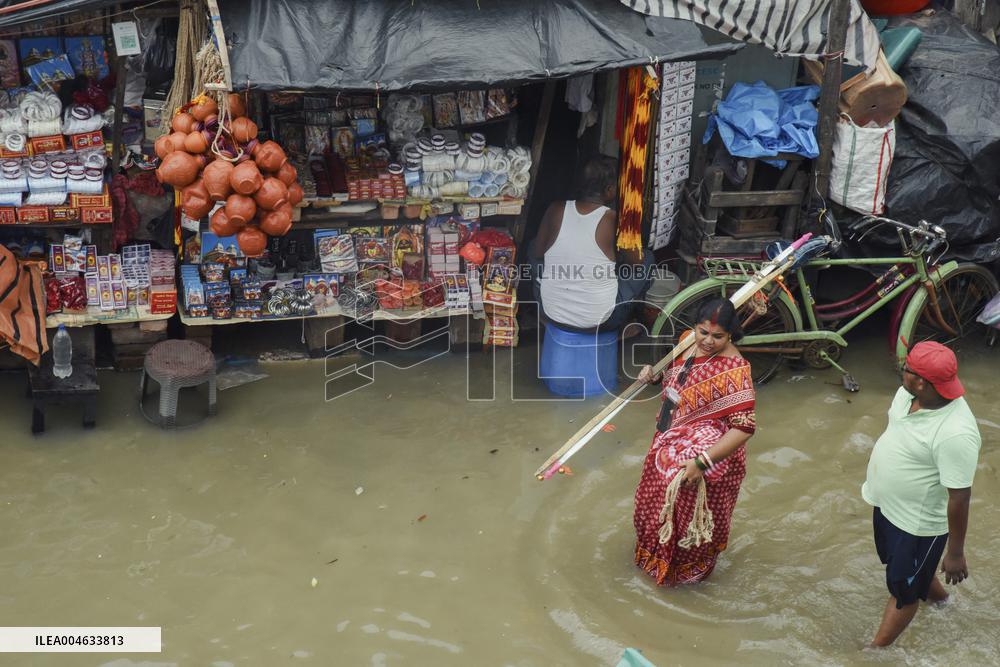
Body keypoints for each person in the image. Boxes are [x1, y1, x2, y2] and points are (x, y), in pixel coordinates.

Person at [862, 341, 981, 647]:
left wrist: (955, 552)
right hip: (888, 508)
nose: (902, 371)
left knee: (904, 591)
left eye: (907, 369)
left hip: (917, 525)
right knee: (912, 572)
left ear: (920, 381)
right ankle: (946, 606)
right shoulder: (908, 394)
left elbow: (959, 496)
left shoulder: (956, 432)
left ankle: (874, 654)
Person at [632, 299, 756, 586]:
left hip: (709, 463)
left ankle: (687, 581)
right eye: (703, 332)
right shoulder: (688, 342)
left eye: (718, 336)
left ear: (731, 336)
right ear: (694, 328)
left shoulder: (735, 372)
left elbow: (744, 428)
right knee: (652, 510)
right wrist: (654, 376)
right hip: (669, 443)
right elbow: (677, 380)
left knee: (692, 526)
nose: (708, 342)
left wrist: (701, 463)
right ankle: (653, 565)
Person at [529, 156, 653, 332]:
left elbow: (538, 254)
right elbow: (636, 262)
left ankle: (542, 310)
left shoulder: (556, 208)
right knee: (647, 258)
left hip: (551, 314)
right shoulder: (615, 219)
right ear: (610, 190)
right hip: (601, 323)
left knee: (533, 245)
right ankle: (625, 322)